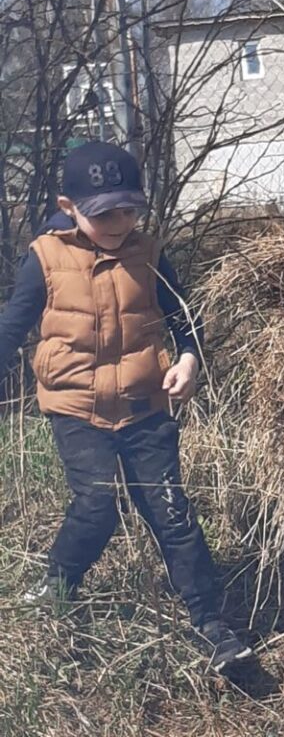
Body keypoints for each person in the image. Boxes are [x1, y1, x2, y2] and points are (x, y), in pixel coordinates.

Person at [0, 141, 252, 673]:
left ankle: (211, 624)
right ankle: (58, 583)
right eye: (102, 212)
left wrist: (188, 360)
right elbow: (12, 327)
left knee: (171, 512)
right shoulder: (45, 258)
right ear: (69, 207)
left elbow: (186, 319)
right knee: (96, 505)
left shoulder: (150, 252)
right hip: (75, 407)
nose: (119, 221)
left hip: (145, 405)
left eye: (128, 208)